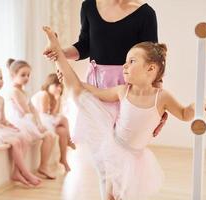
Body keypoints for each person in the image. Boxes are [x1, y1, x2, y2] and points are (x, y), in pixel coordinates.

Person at [43, 26, 206, 200]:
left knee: (123, 195)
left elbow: (184, 114)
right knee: (77, 91)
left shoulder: (162, 97)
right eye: (126, 61)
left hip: (136, 157)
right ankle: (57, 55)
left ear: (151, 69)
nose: (124, 65)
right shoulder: (123, 91)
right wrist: (75, 82)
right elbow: (93, 91)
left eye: (132, 61)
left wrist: (199, 104)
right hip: (114, 147)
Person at [43, 0, 167, 142]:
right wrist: (61, 53)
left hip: (128, 85)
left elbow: (153, 60)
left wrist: (158, 105)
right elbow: (85, 45)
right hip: (96, 82)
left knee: (122, 144)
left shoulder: (146, 13)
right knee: (94, 141)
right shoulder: (88, 6)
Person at [0, 66, 41, 186]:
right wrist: (4, 128)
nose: (0, 81)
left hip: (0, 127)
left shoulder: (0, 99)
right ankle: (26, 172)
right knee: (15, 142)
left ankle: (16, 172)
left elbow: (3, 119)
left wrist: (10, 125)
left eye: (1, 78)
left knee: (23, 138)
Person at [6, 59, 56, 179]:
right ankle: (17, 171)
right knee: (28, 138)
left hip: (28, 120)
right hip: (19, 122)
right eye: (23, 75)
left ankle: (43, 166)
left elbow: (33, 110)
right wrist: (36, 124)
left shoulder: (24, 91)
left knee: (50, 135)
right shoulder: (14, 91)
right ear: (13, 75)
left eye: (28, 75)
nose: (26, 78)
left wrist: (39, 122)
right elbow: (25, 111)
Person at [31, 73, 76, 172]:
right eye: (56, 85)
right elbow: (45, 113)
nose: (58, 88)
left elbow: (55, 113)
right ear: (49, 84)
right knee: (64, 119)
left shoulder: (53, 96)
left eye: (60, 86)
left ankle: (63, 159)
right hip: (40, 120)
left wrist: (58, 98)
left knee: (63, 131)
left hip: (47, 119)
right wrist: (57, 99)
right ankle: (69, 140)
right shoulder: (44, 94)